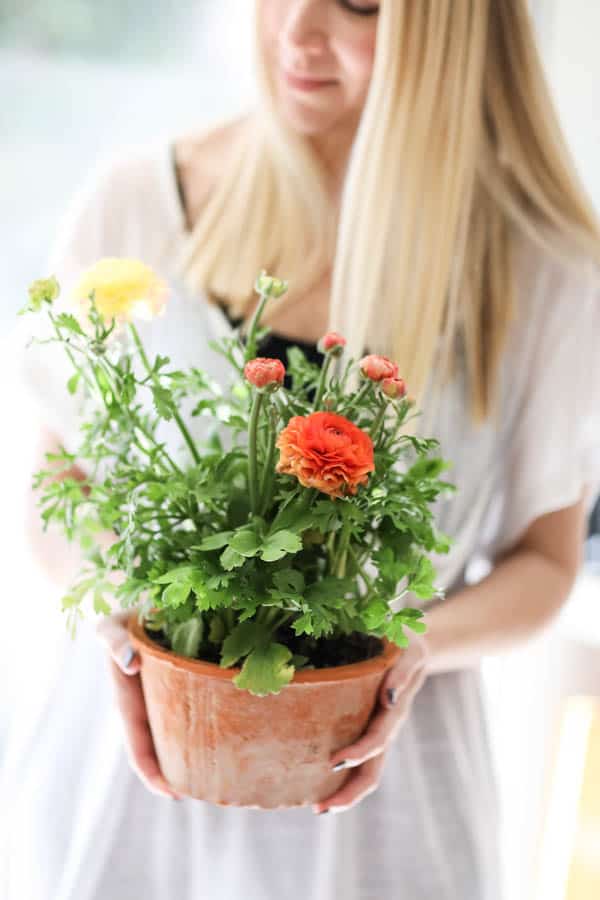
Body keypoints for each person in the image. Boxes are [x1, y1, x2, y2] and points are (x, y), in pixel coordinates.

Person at [3, 1, 600, 898]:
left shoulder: (538, 268)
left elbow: (547, 563)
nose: (296, 33)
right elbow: (61, 482)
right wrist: (123, 612)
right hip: (130, 791)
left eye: (358, 3)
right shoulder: (136, 204)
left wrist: (408, 648)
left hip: (382, 814)